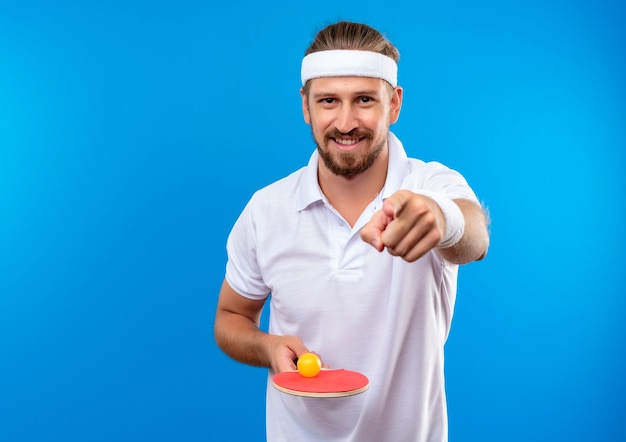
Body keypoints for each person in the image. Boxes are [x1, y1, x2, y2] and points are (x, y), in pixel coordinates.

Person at [214, 20, 490, 442]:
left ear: (394, 104)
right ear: (306, 106)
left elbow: (474, 236)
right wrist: (268, 347)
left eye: (364, 100)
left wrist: (441, 219)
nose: (345, 122)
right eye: (328, 101)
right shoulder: (265, 210)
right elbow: (231, 317)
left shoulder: (432, 185)